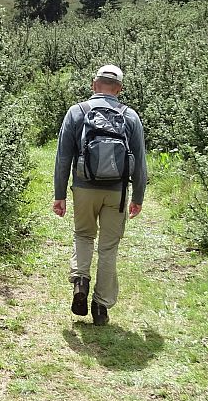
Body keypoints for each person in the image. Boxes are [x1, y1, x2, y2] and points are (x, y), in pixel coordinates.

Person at [51, 64, 147, 325]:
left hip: (83, 188)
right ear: (120, 89)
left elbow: (62, 158)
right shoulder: (130, 117)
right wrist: (137, 197)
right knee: (108, 248)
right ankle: (101, 307)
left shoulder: (77, 112)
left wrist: (59, 194)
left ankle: (80, 280)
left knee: (83, 235)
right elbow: (140, 162)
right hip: (115, 193)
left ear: (94, 85)